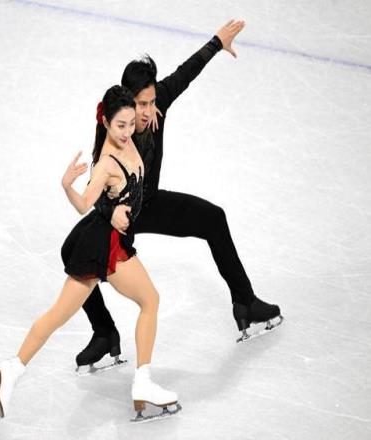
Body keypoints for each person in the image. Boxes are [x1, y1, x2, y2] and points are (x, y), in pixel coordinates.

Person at [72, 19, 284, 371]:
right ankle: (104, 334)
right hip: (120, 212)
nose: (147, 111)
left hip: (150, 203)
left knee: (213, 218)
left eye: (151, 102)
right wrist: (110, 212)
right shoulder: (114, 124)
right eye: (140, 104)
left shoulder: (158, 103)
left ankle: (245, 302)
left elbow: (185, 73)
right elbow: (97, 180)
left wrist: (217, 42)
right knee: (77, 251)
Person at [0, 85, 180, 424]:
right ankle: (9, 372)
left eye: (132, 123)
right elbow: (84, 204)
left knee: (148, 300)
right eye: (120, 125)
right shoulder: (106, 163)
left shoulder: (131, 131)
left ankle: (141, 382)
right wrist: (67, 186)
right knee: (61, 314)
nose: (127, 131)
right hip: (100, 246)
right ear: (106, 123)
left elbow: (143, 110)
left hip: (114, 243)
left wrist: (149, 111)